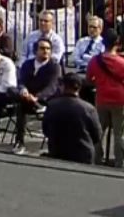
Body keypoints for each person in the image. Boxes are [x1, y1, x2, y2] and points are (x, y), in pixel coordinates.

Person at [43, 73, 102, 165]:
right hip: (83, 154)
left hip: (58, 153)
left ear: (63, 86)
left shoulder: (52, 105)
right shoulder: (89, 109)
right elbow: (97, 135)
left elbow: (46, 129)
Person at [87, 28, 124, 167]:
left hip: (102, 98)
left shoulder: (95, 61)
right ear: (118, 43)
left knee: (99, 131)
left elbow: (89, 79)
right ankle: (120, 162)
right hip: (120, 99)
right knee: (119, 133)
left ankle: (97, 159)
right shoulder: (121, 63)